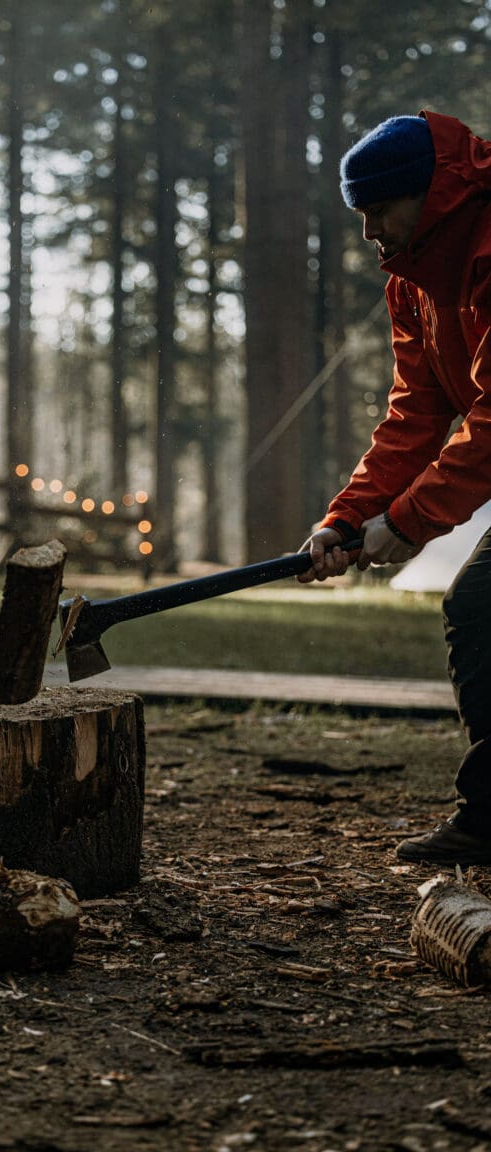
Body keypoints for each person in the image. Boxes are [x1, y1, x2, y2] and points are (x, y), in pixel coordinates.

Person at [299, 111, 491, 865]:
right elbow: (417, 412)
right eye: (361, 215)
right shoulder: (415, 282)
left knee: (480, 603)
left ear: (430, 194)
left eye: (379, 210)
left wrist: (410, 521)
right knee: (480, 611)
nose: (370, 230)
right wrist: (348, 517)